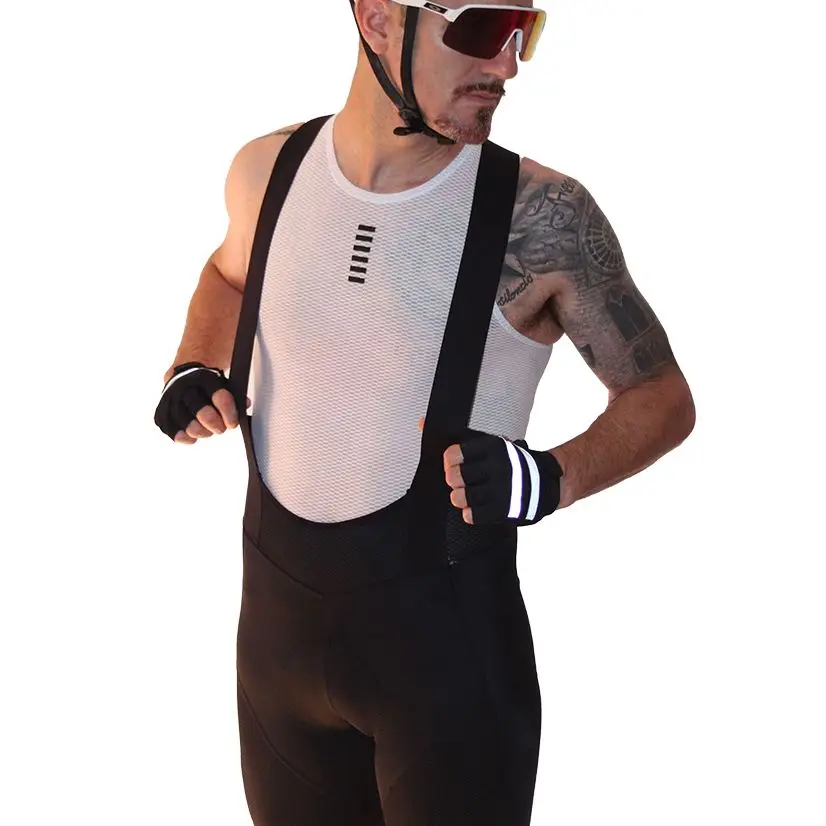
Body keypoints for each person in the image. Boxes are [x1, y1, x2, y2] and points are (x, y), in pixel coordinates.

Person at [154, 0, 696, 823]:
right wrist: (193, 361)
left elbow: (662, 397)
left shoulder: (540, 217)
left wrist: (551, 478)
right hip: (275, 657)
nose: (507, 65)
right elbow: (230, 274)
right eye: (481, 29)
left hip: (449, 673)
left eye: (524, 31)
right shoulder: (269, 172)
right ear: (377, 19)